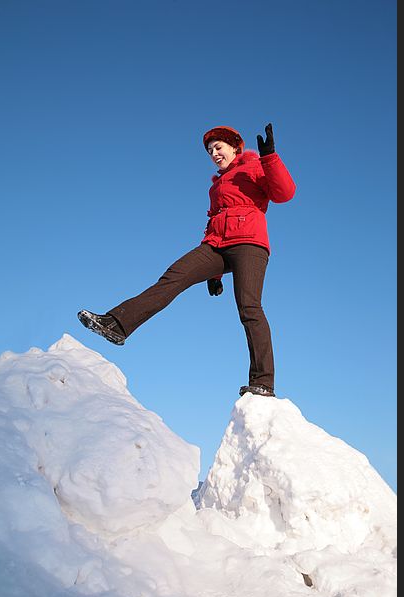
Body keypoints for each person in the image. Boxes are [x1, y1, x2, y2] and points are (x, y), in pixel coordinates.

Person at [78, 123, 296, 397]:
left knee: (249, 307)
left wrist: (270, 158)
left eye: (218, 147)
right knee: (174, 276)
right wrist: (214, 275)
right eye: (210, 151)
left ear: (234, 147)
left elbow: (285, 193)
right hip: (215, 244)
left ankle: (263, 382)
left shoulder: (254, 167)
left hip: (249, 244)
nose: (214, 154)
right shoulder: (217, 185)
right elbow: (214, 220)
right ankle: (117, 325)